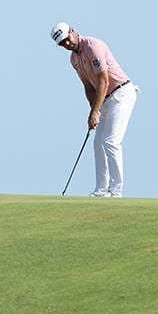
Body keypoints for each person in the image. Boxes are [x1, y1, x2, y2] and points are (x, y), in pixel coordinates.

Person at [50, 22, 138, 197]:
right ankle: (100, 190)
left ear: (73, 31)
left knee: (111, 141)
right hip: (104, 98)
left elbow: (103, 81)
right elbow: (89, 87)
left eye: (67, 39)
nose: (66, 44)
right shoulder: (73, 59)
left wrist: (95, 112)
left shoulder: (93, 46)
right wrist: (94, 111)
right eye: (62, 44)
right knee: (98, 143)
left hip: (121, 93)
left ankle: (115, 190)